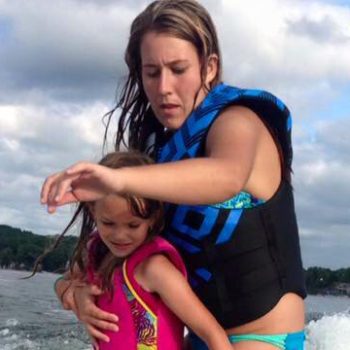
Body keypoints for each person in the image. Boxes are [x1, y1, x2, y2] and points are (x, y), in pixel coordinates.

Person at [42, 0, 307, 349]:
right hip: (194, 339)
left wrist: (118, 181)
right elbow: (110, 253)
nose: (164, 87)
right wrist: (72, 291)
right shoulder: (158, 154)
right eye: (152, 73)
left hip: (263, 337)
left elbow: (225, 177)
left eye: (178, 69)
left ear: (209, 68)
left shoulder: (240, 122)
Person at [53, 151, 233, 350]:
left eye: (133, 225)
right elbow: (62, 282)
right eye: (108, 223)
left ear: (152, 219)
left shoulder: (154, 269)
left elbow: (212, 333)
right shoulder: (95, 252)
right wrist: (72, 294)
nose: (120, 235)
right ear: (92, 210)